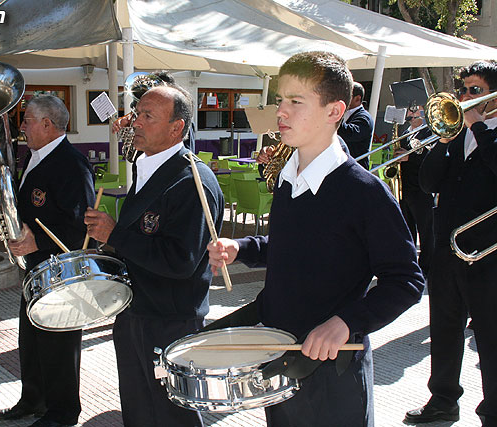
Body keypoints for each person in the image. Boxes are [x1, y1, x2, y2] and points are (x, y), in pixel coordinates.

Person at [207, 51, 424, 426]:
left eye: (296, 101)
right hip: (281, 356)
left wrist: (346, 321)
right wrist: (241, 247)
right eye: (280, 100)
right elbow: (296, 248)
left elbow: (406, 280)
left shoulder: (364, 193)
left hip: (334, 375)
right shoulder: (289, 180)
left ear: (334, 111)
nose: (281, 113)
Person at [84, 85, 224, 427]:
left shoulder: (192, 181)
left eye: (148, 116)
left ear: (176, 128)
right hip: (137, 312)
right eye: (137, 114)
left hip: (170, 321)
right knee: (138, 408)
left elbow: (181, 261)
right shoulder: (147, 166)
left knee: (173, 415)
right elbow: (141, 240)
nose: (136, 123)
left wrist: (115, 234)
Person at [0, 95, 95, 427]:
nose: (22, 127)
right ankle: (33, 399)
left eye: (27, 120)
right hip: (35, 268)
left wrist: (39, 239)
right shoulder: (34, 157)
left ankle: (63, 412)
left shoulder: (71, 164)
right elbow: (30, 208)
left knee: (59, 344)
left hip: (60, 269)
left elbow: (81, 226)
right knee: (31, 338)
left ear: (47, 124)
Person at [405, 60, 497, 426]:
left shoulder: (487, 133)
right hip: (448, 250)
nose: (465, 98)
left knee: (490, 335)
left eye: (475, 90)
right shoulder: (458, 134)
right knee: (444, 329)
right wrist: (445, 140)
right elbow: (429, 183)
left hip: (487, 254)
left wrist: (477, 124)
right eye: (463, 91)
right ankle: (443, 400)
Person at [393, 106, 434, 276]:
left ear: (422, 111)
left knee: (426, 231)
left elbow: (431, 157)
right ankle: (409, 265)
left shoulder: (429, 132)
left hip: (422, 188)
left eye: (414, 110)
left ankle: (426, 267)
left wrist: (410, 156)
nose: (410, 114)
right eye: (408, 110)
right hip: (406, 187)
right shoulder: (404, 132)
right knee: (407, 229)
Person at [338, 81, 374, 169]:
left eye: (346, 96)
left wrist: (338, 114)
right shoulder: (348, 113)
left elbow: (349, 134)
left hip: (356, 167)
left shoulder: (365, 118)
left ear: (357, 99)